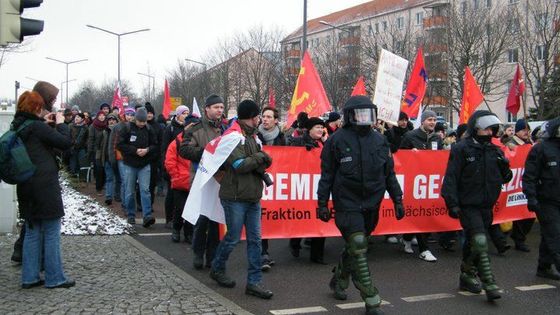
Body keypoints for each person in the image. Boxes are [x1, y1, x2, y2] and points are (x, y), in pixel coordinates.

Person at [317, 95, 404, 315]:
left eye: (369, 114)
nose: (366, 118)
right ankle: (371, 299)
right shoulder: (336, 141)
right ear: (350, 116)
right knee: (357, 243)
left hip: (372, 203)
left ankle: (339, 279)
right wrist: (322, 203)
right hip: (347, 202)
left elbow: (389, 174)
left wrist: (397, 199)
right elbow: (326, 175)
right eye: (361, 114)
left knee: (357, 247)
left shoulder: (379, 140)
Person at [442, 110, 513, 301]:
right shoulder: (461, 149)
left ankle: (467, 274)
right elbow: (451, 178)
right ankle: (489, 282)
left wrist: (505, 166)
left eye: (492, 129)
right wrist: (452, 203)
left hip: (486, 205)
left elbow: (506, 178)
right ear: (476, 128)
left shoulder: (494, 150)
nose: (489, 132)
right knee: (480, 241)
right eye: (486, 128)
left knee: (474, 243)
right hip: (468, 205)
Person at [209, 99, 274, 299]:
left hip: (253, 196)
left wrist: (261, 158)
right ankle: (217, 268)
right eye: (258, 116)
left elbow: (262, 160)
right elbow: (239, 164)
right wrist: (260, 157)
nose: (260, 119)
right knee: (233, 238)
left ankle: (254, 283)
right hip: (235, 197)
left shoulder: (253, 136)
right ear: (251, 117)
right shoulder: (232, 137)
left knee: (255, 240)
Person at [15, 86, 75, 289]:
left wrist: (44, 123)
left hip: (26, 185)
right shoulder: (37, 127)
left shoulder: (19, 125)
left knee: (33, 231)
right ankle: (55, 277)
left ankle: (29, 277)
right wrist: (61, 123)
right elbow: (66, 142)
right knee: (51, 231)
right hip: (44, 185)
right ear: (36, 108)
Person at [180, 94, 227, 269]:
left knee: (215, 219)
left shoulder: (226, 129)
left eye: (222, 108)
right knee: (202, 218)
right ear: (207, 109)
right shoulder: (195, 128)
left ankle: (212, 255)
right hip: (201, 177)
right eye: (216, 107)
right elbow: (184, 150)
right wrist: (207, 153)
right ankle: (198, 253)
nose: (219, 111)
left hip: (219, 179)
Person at [399, 109, 441, 262]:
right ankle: (423, 249)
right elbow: (400, 157)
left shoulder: (437, 138)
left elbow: (440, 159)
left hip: (429, 183)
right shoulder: (410, 136)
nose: (432, 122)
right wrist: (411, 154)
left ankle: (408, 238)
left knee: (424, 213)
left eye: (434, 120)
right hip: (413, 182)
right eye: (429, 119)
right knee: (418, 212)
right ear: (422, 121)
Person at [522, 117, 560, 280]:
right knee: (555, 235)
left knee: (549, 235)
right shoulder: (541, 149)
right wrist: (531, 198)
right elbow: (529, 176)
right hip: (546, 201)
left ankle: (543, 267)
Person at [289, 117, 328, 264]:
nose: (320, 130)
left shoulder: (324, 143)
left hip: (320, 186)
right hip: (303, 186)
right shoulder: (299, 142)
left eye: (321, 127)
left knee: (320, 218)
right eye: (317, 127)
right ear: (309, 129)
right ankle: (295, 243)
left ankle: (317, 255)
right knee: (302, 218)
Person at [117, 107, 158, 227]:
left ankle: (147, 215)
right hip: (130, 164)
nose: (142, 124)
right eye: (140, 122)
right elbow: (120, 144)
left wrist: (147, 150)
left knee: (145, 190)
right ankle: (130, 215)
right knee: (129, 191)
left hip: (144, 164)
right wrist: (134, 150)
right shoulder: (127, 128)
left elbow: (155, 145)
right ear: (135, 119)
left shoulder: (149, 129)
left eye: (144, 122)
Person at [257, 106, 285, 270]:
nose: (265, 119)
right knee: (259, 218)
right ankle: (262, 254)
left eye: (269, 117)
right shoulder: (255, 136)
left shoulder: (282, 138)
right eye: (264, 116)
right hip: (258, 182)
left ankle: (263, 253)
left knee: (269, 217)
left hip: (276, 183)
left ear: (276, 120)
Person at [506, 118, 534, 252]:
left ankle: (519, 237)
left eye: (527, 130)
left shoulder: (529, 143)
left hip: (527, 182)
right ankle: (516, 238)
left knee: (528, 213)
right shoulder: (510, 143)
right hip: (514, 183)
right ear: (517, 131)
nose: (526, 132)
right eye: (523, 129)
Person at [161, 105, 190, 228]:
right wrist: (167, 168)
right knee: (171, 195)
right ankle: (170, 218)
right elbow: (165, 149)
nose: (186, 116)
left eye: (188, 113)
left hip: (186, 170)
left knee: (184, 199)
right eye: (184, 113)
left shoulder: (190, 129)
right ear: (178, 115)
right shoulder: (170, 128)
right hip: (173, 167)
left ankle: (183, 221)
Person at [101, 113, 120, 205]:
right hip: (107, 159)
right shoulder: (104, 132)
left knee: (119, 178)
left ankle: (117, 194)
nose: (111, 121)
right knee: (109, 178)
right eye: (109, 120)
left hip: (118, 159)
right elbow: (100, 146)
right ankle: (109, 196)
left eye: (113, 119)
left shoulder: (120, 131)